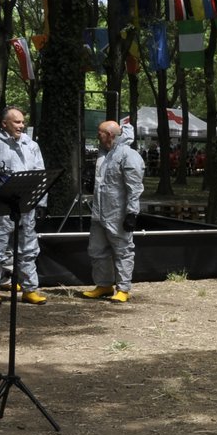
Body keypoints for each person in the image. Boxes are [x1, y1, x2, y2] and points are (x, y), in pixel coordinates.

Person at [0, 106, 49, 306]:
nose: (21, 126)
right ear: (4, 123)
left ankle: (29, 289)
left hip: (25, 207)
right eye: (17, 122)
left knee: (28, 248)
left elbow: (40, 174)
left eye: (23, 122)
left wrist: (41, 202)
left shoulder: (31, 145)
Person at [82, 121, 145, 303]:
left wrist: (132, 213)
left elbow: (134, 187)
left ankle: (123, 288)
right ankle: (103, 285)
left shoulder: (128, 155)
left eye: (100, 132)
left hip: (117, 213)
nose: (97, 135)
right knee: (97, 250)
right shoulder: (104, 154)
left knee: (123, 250)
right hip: (100, 213)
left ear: (110, 134)